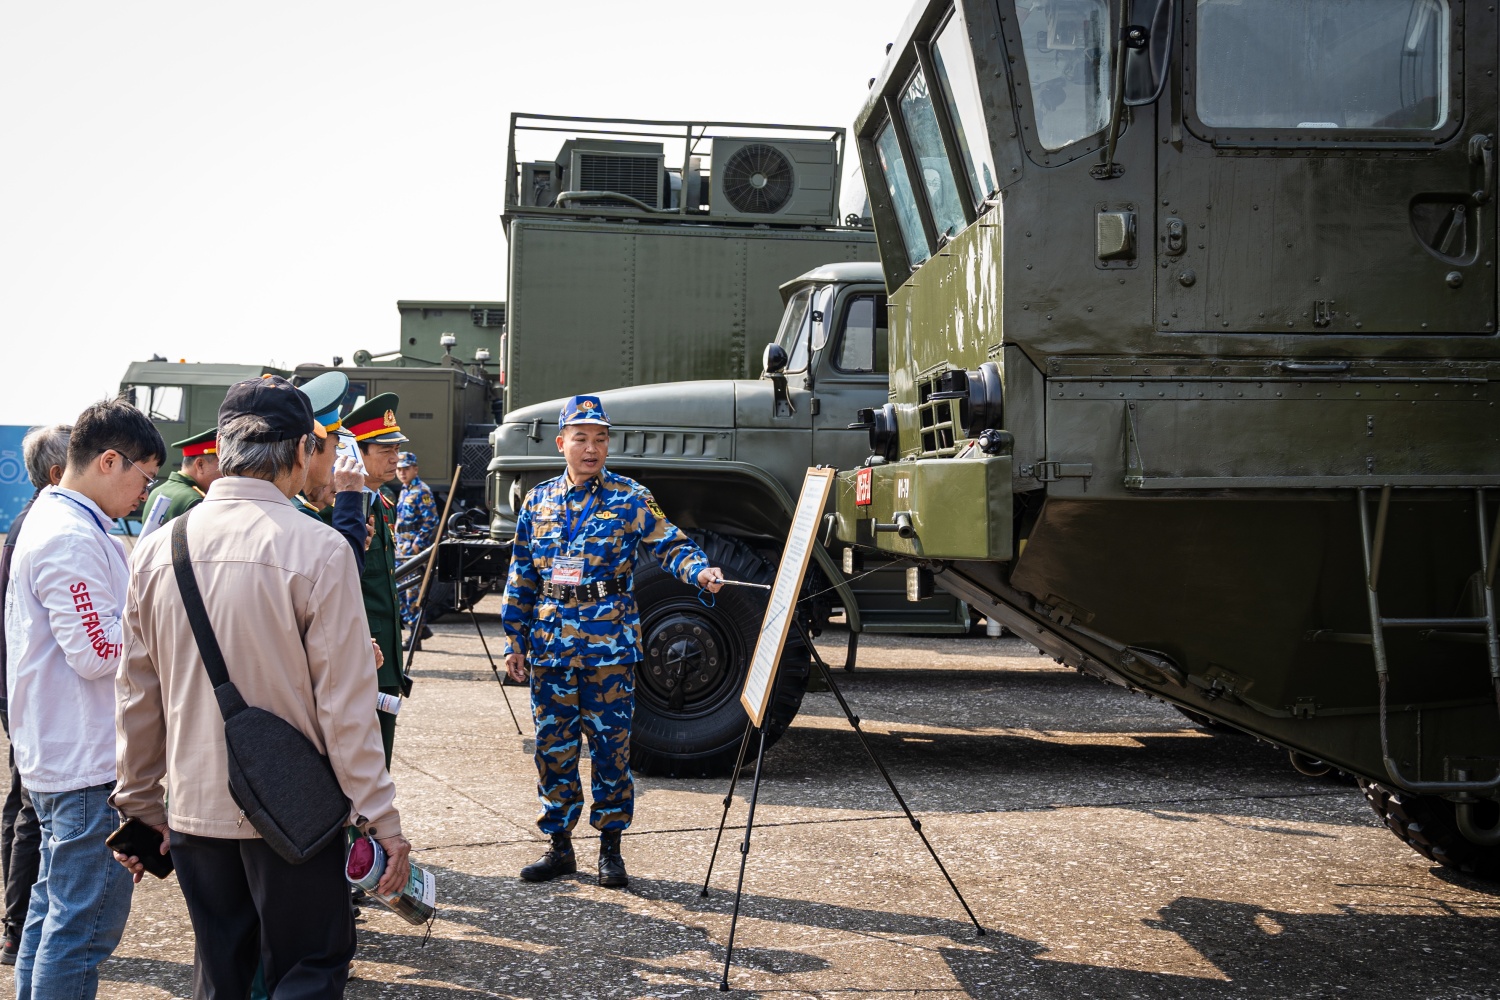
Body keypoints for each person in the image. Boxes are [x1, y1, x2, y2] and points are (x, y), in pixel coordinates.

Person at [111, 375, 409, 999]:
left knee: (220, 975)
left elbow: (137, 693)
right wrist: (380, 816)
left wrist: (140, 799)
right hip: (295, 814)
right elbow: (347, 708)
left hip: (194, 809)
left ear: (222, 448)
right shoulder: (321, 550)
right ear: (303, 451)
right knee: (307, 970)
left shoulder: (159, 547)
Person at [502, 395, 725, 888]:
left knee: (610, 748)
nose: (591, 448)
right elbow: (521, 573)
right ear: (561, 442)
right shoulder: (537, 501)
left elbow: (670, 544)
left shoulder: (629, 497)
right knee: (553, 747)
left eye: (600, 439)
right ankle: (559, 847)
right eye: (581, 438)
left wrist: (699, 571)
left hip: (608, 647)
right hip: (551, 646)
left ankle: (610, 849)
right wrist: (513, 638)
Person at [4, 397, 164, 999]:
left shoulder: (65, 522)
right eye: (143, 478)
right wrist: (160, 629)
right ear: (110, 461)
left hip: (64, 755)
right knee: (81, 930)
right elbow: (97, 652)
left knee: (51, 918)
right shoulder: (68, 536)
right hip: (85, 764)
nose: (144, 494)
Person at [0, 425, 68, 966]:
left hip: (19, 691)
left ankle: (16, 925)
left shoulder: (31, 524)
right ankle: (18, 927)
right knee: (28, 812)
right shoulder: (43, 528)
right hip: (29, 695)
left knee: (21, 807)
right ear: (56, 473)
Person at [341, 392, 409, 767]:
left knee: (380, 758)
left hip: (384, 656)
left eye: (396, 449)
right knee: (362, 761)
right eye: (385, 450)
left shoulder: (381, 503)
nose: (396, 458)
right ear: (357, 455)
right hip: (362, 651)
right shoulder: (343, 509)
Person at [293, 371, 369, 572]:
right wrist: (349, 497)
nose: (336, 458)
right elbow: (344, 574)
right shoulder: (299, 514)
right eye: (335, 447)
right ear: (307, 449)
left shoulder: (299, 505)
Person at [394, 452, 438, 649]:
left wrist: (418, 543)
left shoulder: (422, 491)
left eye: (406, 469)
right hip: (401, 547)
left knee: (413, 593)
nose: (402, 472)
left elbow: (431, 520)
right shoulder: (404, 490)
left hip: (412, 549)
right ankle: (421, 628)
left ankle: (415, 636)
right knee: (400, 591)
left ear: (415, 469)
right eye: (399, 469)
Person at [144, 427, 220, 522]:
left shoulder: (157, 491)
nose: (226, 472)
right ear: (200, 465)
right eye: (221, 465)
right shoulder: (195, 501)